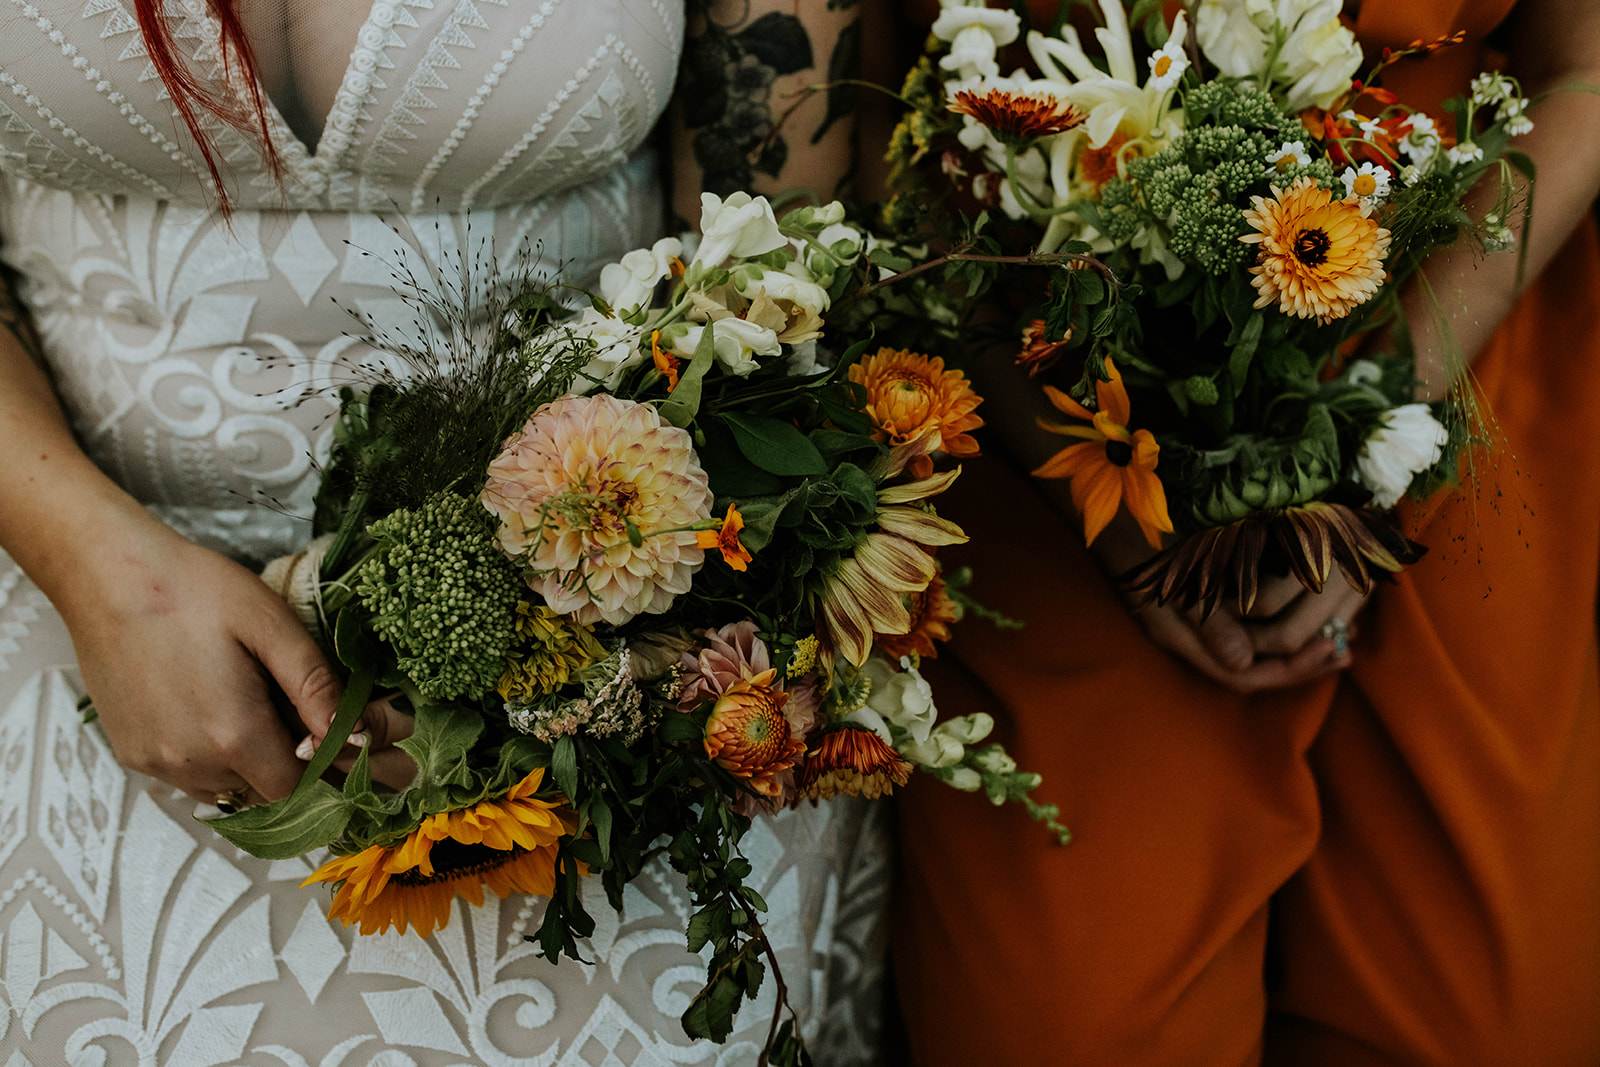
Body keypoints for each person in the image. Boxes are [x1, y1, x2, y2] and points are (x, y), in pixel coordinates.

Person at [0, 1, 884, 1062]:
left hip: (612, 657)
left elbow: (782, 269)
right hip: (70, 597)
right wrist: (91, 564)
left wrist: (589, 621)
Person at [892, 0, 1600, 1063]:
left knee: (1491, 1020)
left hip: (1455, 320)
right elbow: (860, 144)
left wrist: (1375, 420)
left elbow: (1584, 67)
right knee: (1072, 1024)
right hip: (1056, 367)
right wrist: (1101, 485)